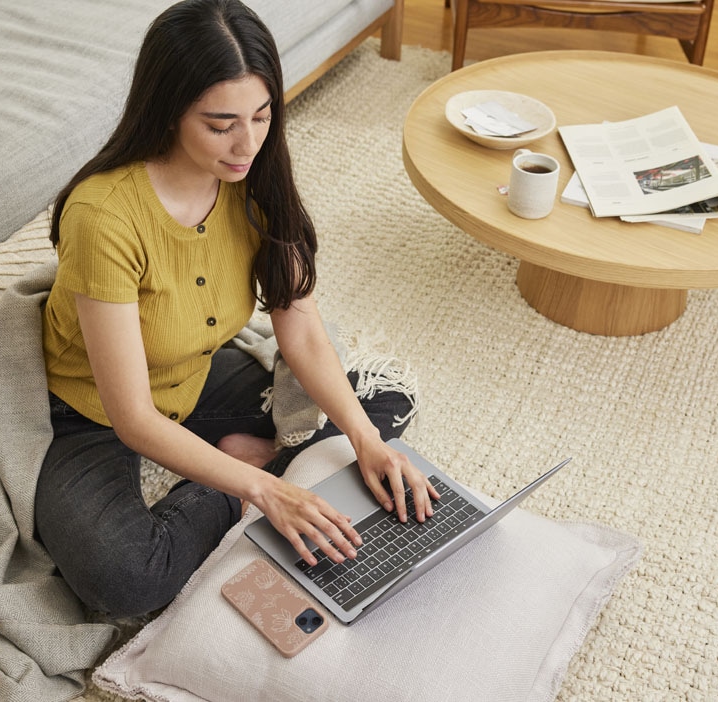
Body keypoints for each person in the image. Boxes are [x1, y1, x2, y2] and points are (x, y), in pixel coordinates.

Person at [35, 0, 439, 619]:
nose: (247, 143)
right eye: (221, 123)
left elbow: (300, 332)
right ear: (168, 110)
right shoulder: (104, 218)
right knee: (126, 580)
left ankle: (263, 456)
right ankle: (244, 470)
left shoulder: (255, 179)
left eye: (261, 115)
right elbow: (133, 417)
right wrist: (262, 488)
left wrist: (363, 439)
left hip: (195, 374)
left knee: (383, 404)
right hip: (92, 412)